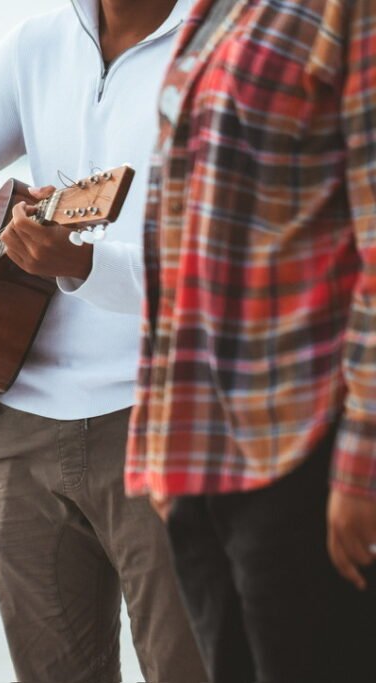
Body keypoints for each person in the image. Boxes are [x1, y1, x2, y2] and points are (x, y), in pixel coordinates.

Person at [0, 1, 205, 680]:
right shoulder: (35, 45)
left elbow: (220, 272)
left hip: (165, 422)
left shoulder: (219, 48)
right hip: (22, 430)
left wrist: (85, 264)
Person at [127, 0, 376, 680]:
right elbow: (181, 233)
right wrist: (161, 436)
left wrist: (362, 461)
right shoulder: (216, 10)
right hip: (200, 454)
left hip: (306, 445)